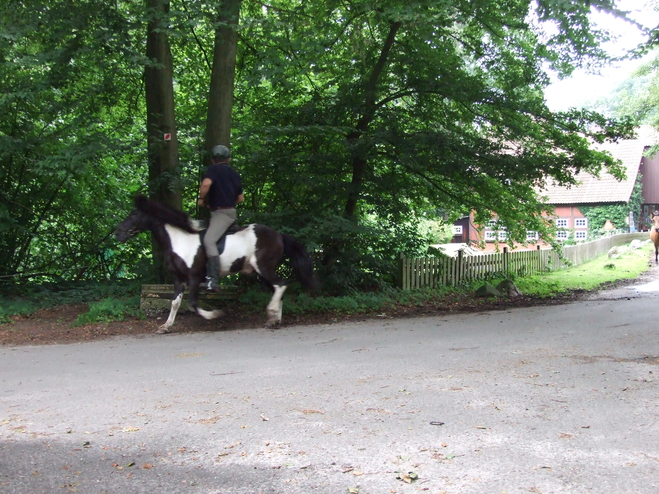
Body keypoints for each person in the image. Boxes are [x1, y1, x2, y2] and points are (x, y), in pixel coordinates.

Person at [198, 144, 244, 291]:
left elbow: (205, 185)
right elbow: (241, 198)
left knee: (209, 240)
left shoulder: (213, 169)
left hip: (221, 215)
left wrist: (201, 198)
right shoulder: (234, 174)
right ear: (228, 159)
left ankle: (213, 280)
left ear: (213, 160)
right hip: (228, 212)